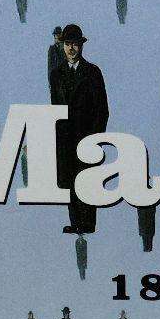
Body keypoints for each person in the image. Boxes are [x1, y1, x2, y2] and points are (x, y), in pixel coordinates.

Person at [50, 23, 108, 234]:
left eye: (74, 44)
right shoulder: (56, 74)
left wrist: (95, 139)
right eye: (68, 44)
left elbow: (102, 110)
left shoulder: (92, 72)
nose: (71, 48)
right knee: (68, 180)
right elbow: (55, 108)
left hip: (87, 137)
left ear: (81, 46)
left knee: (87, 180)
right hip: (65, 138)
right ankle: (75, 221)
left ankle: (88, 223)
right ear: (63, 46)